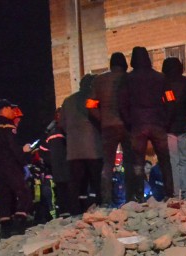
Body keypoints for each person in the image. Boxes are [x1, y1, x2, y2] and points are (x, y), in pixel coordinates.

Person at [120, 46, 173, 202]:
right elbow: (170, 100)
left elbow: (122, 102)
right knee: (164, 160)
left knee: (138, 161)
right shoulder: (161, 78)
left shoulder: (127, 79)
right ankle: (170, 193)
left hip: (138, 125)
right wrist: (166, 120)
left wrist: (129, 121)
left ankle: (139, 194)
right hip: (158, 124)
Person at [0, 99, 33, 237]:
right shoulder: (8, 125)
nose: (13, 112)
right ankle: (19, 224)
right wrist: (23, 156)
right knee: (23, 192)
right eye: (11, 109)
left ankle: (5, 229)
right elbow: (12, 146)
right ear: (5, 109)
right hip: (9, 165)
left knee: (4, 195)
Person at [90, 52, 133, 206]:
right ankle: (131, 198)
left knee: (107, 164)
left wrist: (102, 118)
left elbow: (90, 105)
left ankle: (106, 201)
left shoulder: (99, 80)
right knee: (129, 163)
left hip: (108, 127)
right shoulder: (129, 78)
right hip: (127, 126)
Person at [60, 73, 103, 215]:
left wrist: (72, 135)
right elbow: (99, 118)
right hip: (94, 148)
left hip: (73, 151)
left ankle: (75, 210)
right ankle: (100, 206)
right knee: (97, 180)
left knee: (75, 183)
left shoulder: (68, 101)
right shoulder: (93, 98)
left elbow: (62, 124)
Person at [162, 56, 186, 199]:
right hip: (185, 127)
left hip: (168, 128)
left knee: (172, 162)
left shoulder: (163, 83)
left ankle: (175, 193)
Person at [38, 109, 69, 218]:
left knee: (61, 193)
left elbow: (43, 152)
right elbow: (45, 152)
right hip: (60, 172)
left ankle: (62, 213)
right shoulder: (57, 133)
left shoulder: (53, 132)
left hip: (57, 171)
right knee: (62, 193)